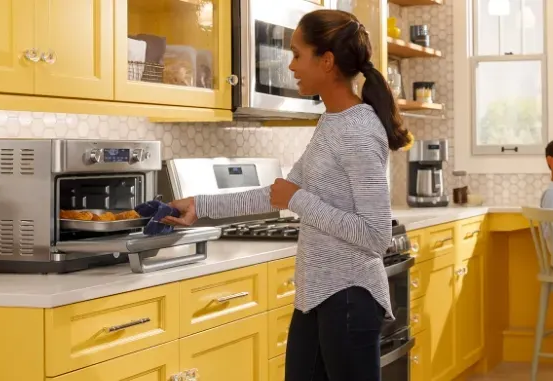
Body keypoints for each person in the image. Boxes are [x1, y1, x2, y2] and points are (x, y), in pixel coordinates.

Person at [161, 9, 406, 381]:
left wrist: (299, 200)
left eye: (296, 53)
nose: (289, 64)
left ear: (326, 61)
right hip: (317, 295)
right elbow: (278, 193)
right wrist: (201, 205)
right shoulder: (332, 121)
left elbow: (375, 236)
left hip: (349, 297)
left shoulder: (358, 130)